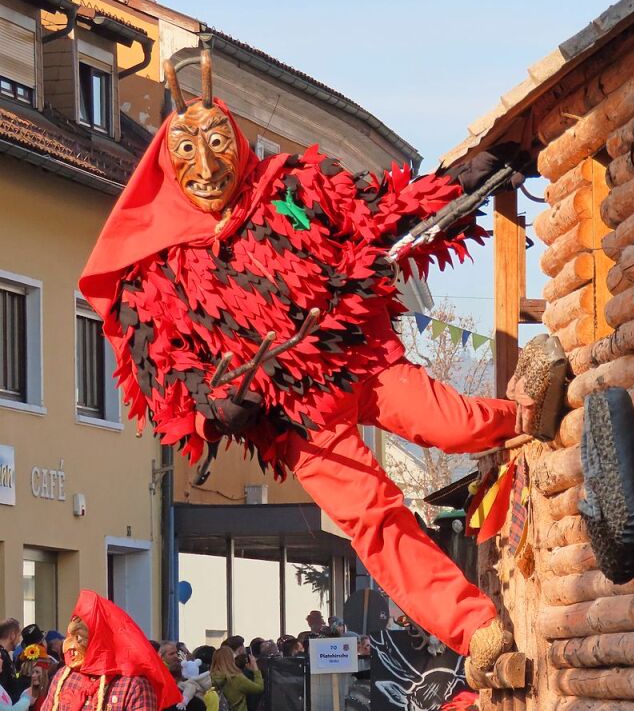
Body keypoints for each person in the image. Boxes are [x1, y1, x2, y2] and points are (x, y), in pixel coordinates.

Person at [78, 51, 544, 671]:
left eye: (218, 143)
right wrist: (214, 407)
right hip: (300, 423)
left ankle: (530, 415)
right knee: (374, 520)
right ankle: (476, 627)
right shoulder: (154, 274)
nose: (208, 166)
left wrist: (459, 181)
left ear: (238, 145)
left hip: (359, 361)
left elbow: (377, 214)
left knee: (453, 425)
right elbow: (166, 372)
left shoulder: (292, 190)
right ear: (169, 167)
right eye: (188, 153)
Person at [40, 590, 180, 711]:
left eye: (80, 637)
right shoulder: (64, 676)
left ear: (100, 639)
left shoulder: (133, 685)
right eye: (72, 636)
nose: (71, 645)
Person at [0, 619, 21, 700]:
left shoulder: (5, 655)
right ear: (12, 635)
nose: (19, 640)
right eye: (19, 635)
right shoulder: (1, 656)